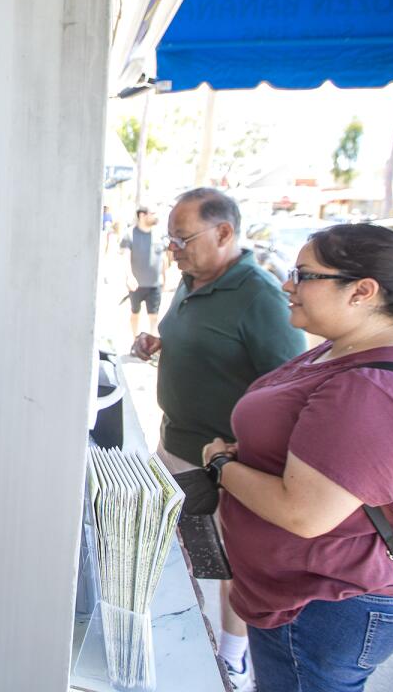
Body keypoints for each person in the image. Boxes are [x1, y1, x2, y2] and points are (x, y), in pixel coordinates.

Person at [201, 224, 393, 692]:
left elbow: (303, 512)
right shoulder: (351, 346)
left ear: (361, 291)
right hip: (308, 593)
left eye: (303, 275)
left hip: (325, 603)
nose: (287, 284)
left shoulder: (372, 391)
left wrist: (222, 465)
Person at [131, 188, 306, 689]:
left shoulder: (260, 296)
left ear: (224, 233)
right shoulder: (192, 280)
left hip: (227, 463)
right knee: (184, 554)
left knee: (231, 565)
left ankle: (233, 658)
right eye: (170, 239)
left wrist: (241, 453)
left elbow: (288, 386)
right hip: (176, 445)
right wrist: (162, 343)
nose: (173, 249)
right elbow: (205, 339)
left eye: (181, 238)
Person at [118, 206, 168, 334]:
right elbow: (125, 257)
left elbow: (164, 258)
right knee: (135, 313)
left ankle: (150, 344)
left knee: (154, 316)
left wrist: (164, 277)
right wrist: (129, 276)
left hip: (155, 284)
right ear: (142, 215)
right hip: (136, 285)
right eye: (152, 213)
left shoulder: (160, 234)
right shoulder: (130, 234)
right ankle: (135, 340)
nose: (155, 217)